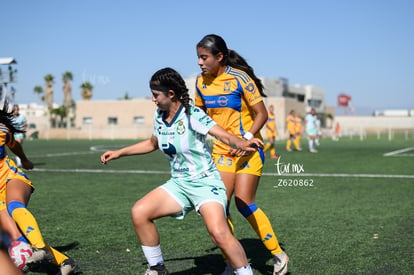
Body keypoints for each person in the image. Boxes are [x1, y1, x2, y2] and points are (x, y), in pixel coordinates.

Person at [100, 67, 263, 275]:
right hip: (179, 184)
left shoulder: (192, 114)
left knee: (219, 233)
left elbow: (223, 135)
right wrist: (119, 152)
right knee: (140, 212)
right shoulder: (159, 116)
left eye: (156, 94)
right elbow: (152, 144)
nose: (153, 99)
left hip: (205, 183)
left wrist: (242, 142)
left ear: (171, 94)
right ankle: (157, 269)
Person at [195, 34, 288, 275]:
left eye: (204, 57)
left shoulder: (240, 78)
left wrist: (246, 138)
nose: (200, 62)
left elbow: (261, 114)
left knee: (244, 202)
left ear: (219, 56)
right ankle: (232, 262)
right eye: (198, 58)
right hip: (222, 152)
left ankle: (278, 254)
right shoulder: (200, 83)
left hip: (248, 150)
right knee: (220, 207)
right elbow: (199, 116)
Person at [0, 101, 78, 274]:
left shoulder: (1, 130)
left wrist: (25, 160)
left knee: (14, 206)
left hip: (11, 178)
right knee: (16, 240)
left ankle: (40, 249)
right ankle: (65, 262)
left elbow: (15, 145)